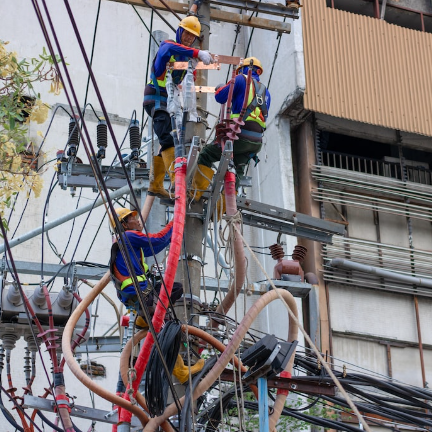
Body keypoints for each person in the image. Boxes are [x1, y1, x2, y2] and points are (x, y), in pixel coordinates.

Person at [145, 16, 213, 199]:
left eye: (193, 36)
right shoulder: (168, 47)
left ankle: (156, 184)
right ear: (179, 31)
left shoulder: (184, 58)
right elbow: (167, 47)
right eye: (187, 34)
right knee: (168, 138)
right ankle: (176, 179)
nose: (189, 38)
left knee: (171, 138)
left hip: (169, 101)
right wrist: (197, 53)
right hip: (156, 99)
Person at [191, 57, 271, 199]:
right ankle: (223, 206)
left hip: (238, 135)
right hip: (255, 141)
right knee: (238, 170)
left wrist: (220, 88)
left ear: (242, 69)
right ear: (259, 72)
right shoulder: (266, 92)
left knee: (206, 155)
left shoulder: (240, 79)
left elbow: (221, 97)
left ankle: (195, 193)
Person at [109, 207, 183, 325]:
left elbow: (153, 248)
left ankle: (146, 317)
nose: (138, 220)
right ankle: (151, 312)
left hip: (135, 294)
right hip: (140, 290)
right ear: (124, 225)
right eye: (132, 218)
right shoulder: (129, 236)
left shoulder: (125, 243)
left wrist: (171, 239)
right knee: (176, 289)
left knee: (174, 290)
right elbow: (158, 239)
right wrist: (177, 220)